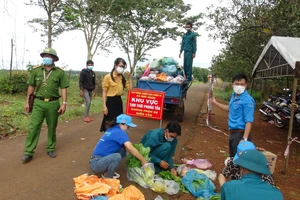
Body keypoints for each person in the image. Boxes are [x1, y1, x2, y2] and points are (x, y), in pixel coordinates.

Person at [22, 48, 69, 163]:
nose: (46, 58)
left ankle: (51, 148)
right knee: (34, 127)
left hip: (53, 103)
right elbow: (31, 86)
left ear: (54, 58)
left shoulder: (59, 72)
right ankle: (28, 151)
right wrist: (27, 101)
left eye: (49, 56)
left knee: (52, 126)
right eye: (45, 55)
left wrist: (64, 103)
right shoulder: (36, 71)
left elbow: (63, 88)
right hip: (38, 103)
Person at [212, 73, 255, 157]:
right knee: (233, 159)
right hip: (233, 134)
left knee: (239, 162)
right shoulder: (234, 96)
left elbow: (249, 121)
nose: (239, 86)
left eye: (242, 84)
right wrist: (215, 103)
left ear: (246, 85)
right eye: (237, 84)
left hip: (240, 135)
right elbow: (230, 108)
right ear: (232, 85)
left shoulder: (248, 100)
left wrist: (244, 139)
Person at [90, 114, 147, 178]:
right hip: (97, 164)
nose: (128, 129)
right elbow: (130, 148)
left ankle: (106, 172)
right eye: (128, 126)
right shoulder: (119, 132)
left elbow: (127, 146)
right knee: (117, 156)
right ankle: (108, 177)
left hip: (97, 160)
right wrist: (143, 160)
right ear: (122, 124)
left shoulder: (113, 129)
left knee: (122, 150)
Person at [100, 58, 132, 132]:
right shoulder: (108, 77)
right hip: (110, 102)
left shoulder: (122, 78)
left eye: (123, 67)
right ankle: (107, 138)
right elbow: (104, 91)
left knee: (118, 121)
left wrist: (130, 77)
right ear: (115, 65)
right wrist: (104, 106)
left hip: (118, 101)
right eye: (120, 66)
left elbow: (130, 89)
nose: (121, 68)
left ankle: (116, 137)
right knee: (109, 122)